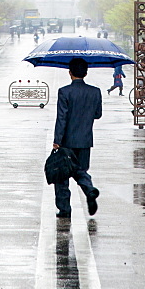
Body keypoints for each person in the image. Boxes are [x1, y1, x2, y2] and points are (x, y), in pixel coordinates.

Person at [52, 57, 102, 218]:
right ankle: (89, 190)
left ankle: (64, 209)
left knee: (61, 176)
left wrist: (57, 140)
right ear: (86, 73)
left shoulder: (64, 91)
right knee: (80, 170)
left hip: (67, 141)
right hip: (85, 140)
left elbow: (62, 118)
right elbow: (98, 114)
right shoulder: (95, 92)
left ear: (70, 73)